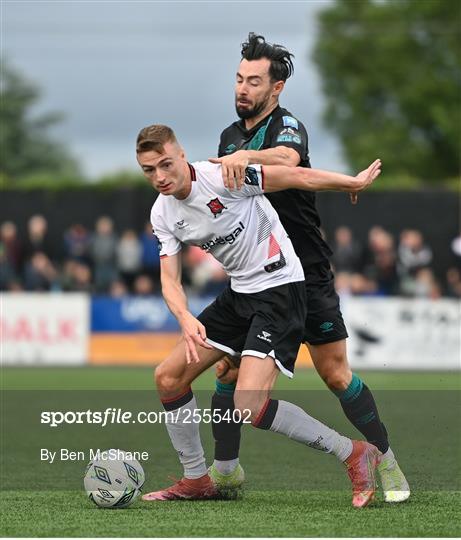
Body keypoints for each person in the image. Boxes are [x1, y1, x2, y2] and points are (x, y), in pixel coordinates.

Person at [206, 33, 409, 504]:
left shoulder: (287, 127)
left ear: (275, 89)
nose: (242, 88)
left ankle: (386, 456)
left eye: (254, 81)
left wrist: (246, 156)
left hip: (307, 273)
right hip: (260, 275)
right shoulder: (228, 137)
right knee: (226, 368)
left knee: (335, 374)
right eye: (239, 79)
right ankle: (225, 474)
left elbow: (288, 161)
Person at [136, 124, 382, 508]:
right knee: (168, 377)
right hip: (240, 294)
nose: (160, 177)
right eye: (149, 170)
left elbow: (296, 175)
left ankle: (354, 453)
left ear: (181, 155)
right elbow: (170, 280)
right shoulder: (162, 212)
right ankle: (197, 479)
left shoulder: (223, 176)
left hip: (281, 289)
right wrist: (184, 316)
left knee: (248, 405)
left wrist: (349, 181)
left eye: (165, 164)